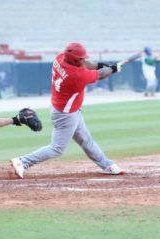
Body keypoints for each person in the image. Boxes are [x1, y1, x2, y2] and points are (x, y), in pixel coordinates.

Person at [10, 42, 126, 179]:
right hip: (65, 114)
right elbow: (100, 75)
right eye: (81, 58)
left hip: (65, 108)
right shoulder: (76, 76)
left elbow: (87, 63)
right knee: (57, 148)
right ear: (75, 60)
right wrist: (113, 69)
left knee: (86, 140)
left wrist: (102, 65)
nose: (83, 60)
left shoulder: (60, 58)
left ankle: (107, 165)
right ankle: (23, 162)